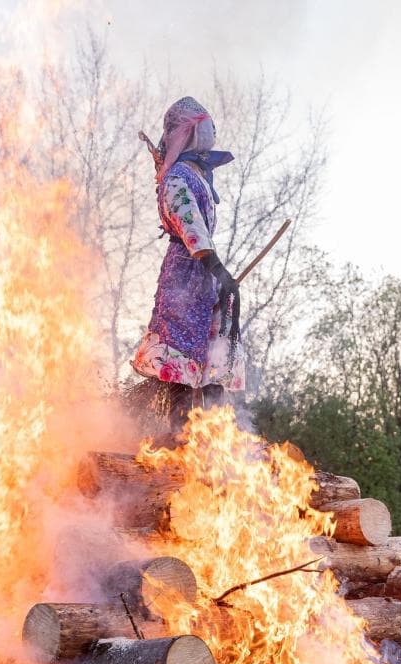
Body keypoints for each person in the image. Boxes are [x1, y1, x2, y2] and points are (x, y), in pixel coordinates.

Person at [132, 96, 244, 429]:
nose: (213, 132)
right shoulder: (177, 177)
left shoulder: (197, 175)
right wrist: (219, 270)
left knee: (214, 346)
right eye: (206, 127)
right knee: (181, 346)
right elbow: (190, 226)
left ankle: (212, 432)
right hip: (185, 273)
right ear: (190, 132)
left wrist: (218, 277)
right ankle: (179, 433)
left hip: (205, 276)